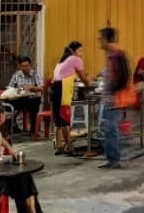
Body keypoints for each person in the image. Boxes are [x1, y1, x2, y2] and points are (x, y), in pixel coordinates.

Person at [50, 41, 91, 155]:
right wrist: (91, 85)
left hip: (54, 90)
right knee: (65, 120)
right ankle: (70, 147)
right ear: (73, 51)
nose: (81, 53)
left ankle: (59, 147)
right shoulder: (75, 59)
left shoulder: (62, 60)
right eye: (80, 50)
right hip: (62, 90)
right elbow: (83, 78)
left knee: (59, 120)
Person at [98, 27, 129, 169]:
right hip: (108, 98)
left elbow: (124, 76)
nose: (99, 41)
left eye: (101, 38)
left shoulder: (117, 55)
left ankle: (114, 159)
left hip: (113, 99)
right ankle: (110, 158)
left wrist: (113, 90)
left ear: (106, 39)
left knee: (111, 128)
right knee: (107, 128)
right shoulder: (111, 55)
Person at [7, 56, 44, 133]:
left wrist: (32, 88)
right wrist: (18, 90)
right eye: (23, 66)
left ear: (30, 65)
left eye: (26, 66)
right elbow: (10, 87)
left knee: (34, 107)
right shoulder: (17, 75)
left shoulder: (35, 74)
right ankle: (12, 127)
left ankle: (33, 130)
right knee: (9, 106)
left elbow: (41, 87)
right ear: (20, 66)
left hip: (33, 98)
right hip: (20, 98)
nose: (25, 68)